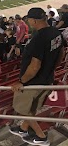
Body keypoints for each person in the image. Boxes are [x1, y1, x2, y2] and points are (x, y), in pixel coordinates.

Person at [9, 8, 65, 146]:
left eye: (29, 19)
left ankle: (41, 137)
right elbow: (62, 52)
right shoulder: (55, 32)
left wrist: (22, 81)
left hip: (33, 82)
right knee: (32, 107)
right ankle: (23, 129)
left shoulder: (39, 38)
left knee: (23, 109)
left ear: (33, 20)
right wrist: (52, 68)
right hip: (47, 78)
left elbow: (35, 66)